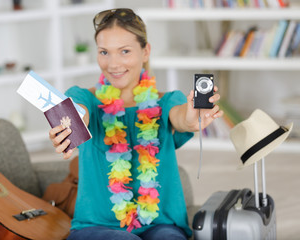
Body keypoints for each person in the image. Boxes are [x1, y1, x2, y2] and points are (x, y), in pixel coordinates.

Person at [49, 8, 223, 240]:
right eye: (104, 52)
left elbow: (182, 117)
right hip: (96, 227)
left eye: (124, 51)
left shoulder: (167, 101)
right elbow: (76, 111)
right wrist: (71, 125)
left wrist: (193, 118)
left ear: (145, 51)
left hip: (162, 225)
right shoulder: (84, 98)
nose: (113, 63)